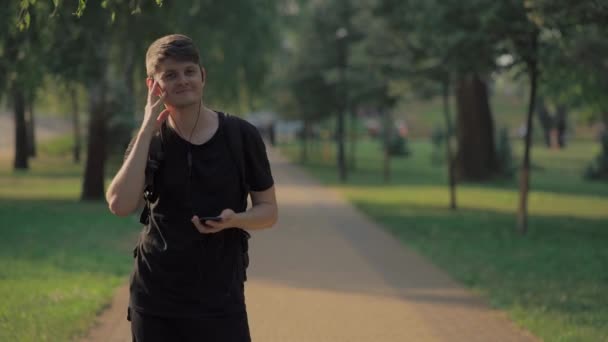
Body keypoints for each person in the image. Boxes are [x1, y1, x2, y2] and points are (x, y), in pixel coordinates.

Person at [105, 34, 278, 342]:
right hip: (155, 296)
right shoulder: (150, 140)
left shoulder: (241, 136)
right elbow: (119, 205)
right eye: (170, 75)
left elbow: (269, 211)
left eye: (189, 71)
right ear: (154, 86)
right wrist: (147, 125)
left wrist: (235, 220)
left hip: (221, 297)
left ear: (202, 75)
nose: (182, 80)